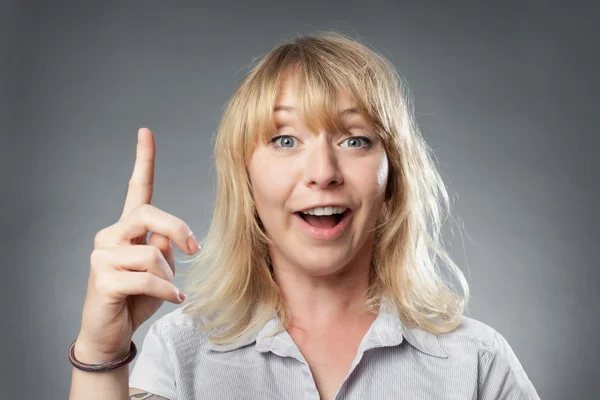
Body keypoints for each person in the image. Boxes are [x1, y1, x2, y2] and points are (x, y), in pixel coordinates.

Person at [69, 32, 540, 400]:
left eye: (354, 139)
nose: (322, 173)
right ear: (245, 178)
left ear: (392, 174)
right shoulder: (179, 351)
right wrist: (101, 354)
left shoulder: (475, 361)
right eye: (285, 140)